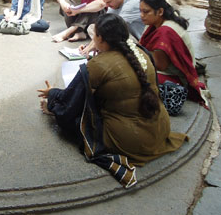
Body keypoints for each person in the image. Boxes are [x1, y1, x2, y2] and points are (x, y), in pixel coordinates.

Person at [38, 13, 188, 169]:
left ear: (101, 39)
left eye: (94, 35)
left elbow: (70, 100)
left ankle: (52, 108)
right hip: (159, 128)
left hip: (129, 139)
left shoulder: (99, 64)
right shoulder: (140, 51)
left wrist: (53, 94)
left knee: (72, 117)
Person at [139, 0, 206, 103]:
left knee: (136, 76)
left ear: (160, 11)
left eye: (146, 12)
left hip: (176, 77)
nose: (141, 15)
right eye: (140, 11)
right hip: (170, 69)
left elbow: (160, 66)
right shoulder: (160, 21)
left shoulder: (165, 31)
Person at [79, 0, 145, 56]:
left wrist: (92, 46)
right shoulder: (113, 5)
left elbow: (113, 28)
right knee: (92, 27)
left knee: (109, 32)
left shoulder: (132, 4)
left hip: (132, 40)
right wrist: (88, 46)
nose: (107, 5)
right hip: (116, 36)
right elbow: (103, 26)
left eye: (109, 2)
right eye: (105, 3)